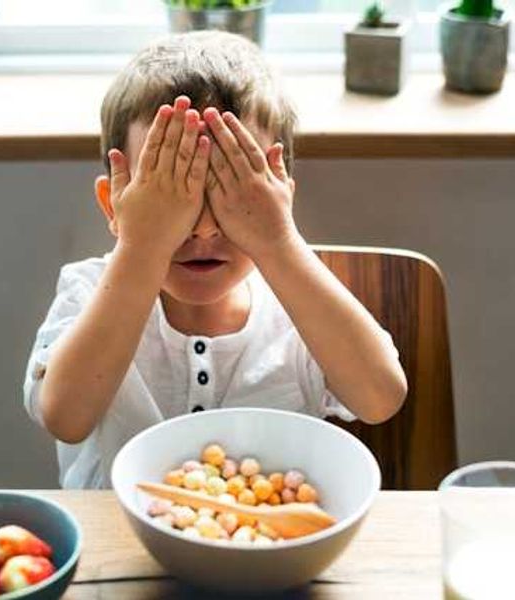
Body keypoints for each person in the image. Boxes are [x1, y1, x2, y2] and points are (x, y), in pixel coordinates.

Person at [23, 31, 407, 489]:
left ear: (276, 200)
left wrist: (279, 242)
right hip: (120, 551)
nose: (203, 228)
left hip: (267, 553)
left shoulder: (300, 311)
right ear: (113, 206)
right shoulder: (87, 292)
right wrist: (141, 247)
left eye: (230, 193)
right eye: (169, 195)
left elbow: (380, 397)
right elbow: (65, 417)